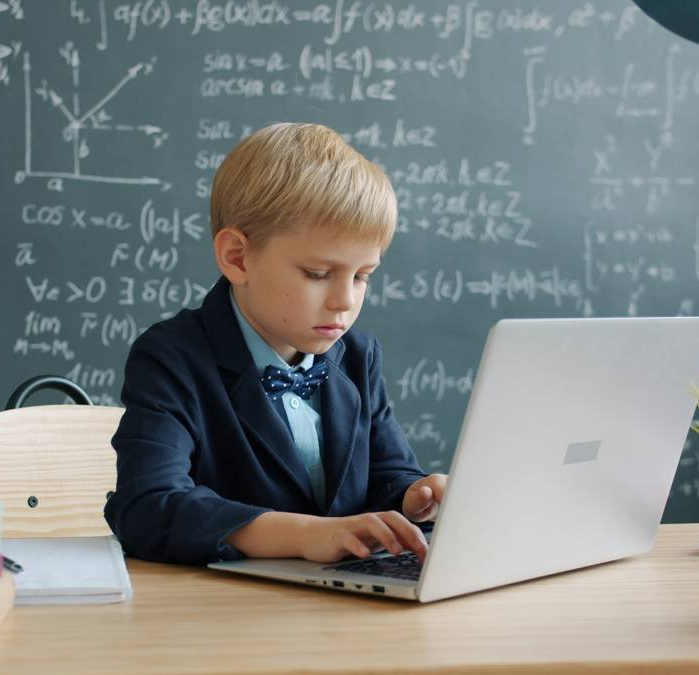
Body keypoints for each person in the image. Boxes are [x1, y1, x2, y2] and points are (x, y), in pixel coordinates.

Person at [105, 122, 447, 566]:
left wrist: (414, 496)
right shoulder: (173, 358)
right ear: (237, 257)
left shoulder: (358, 357)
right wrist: (307, 535)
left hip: (344, 610)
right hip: (224, 614)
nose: (345, 300)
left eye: (363, 276)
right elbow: (147, 507)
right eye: (318, 274)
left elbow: (386, 474)